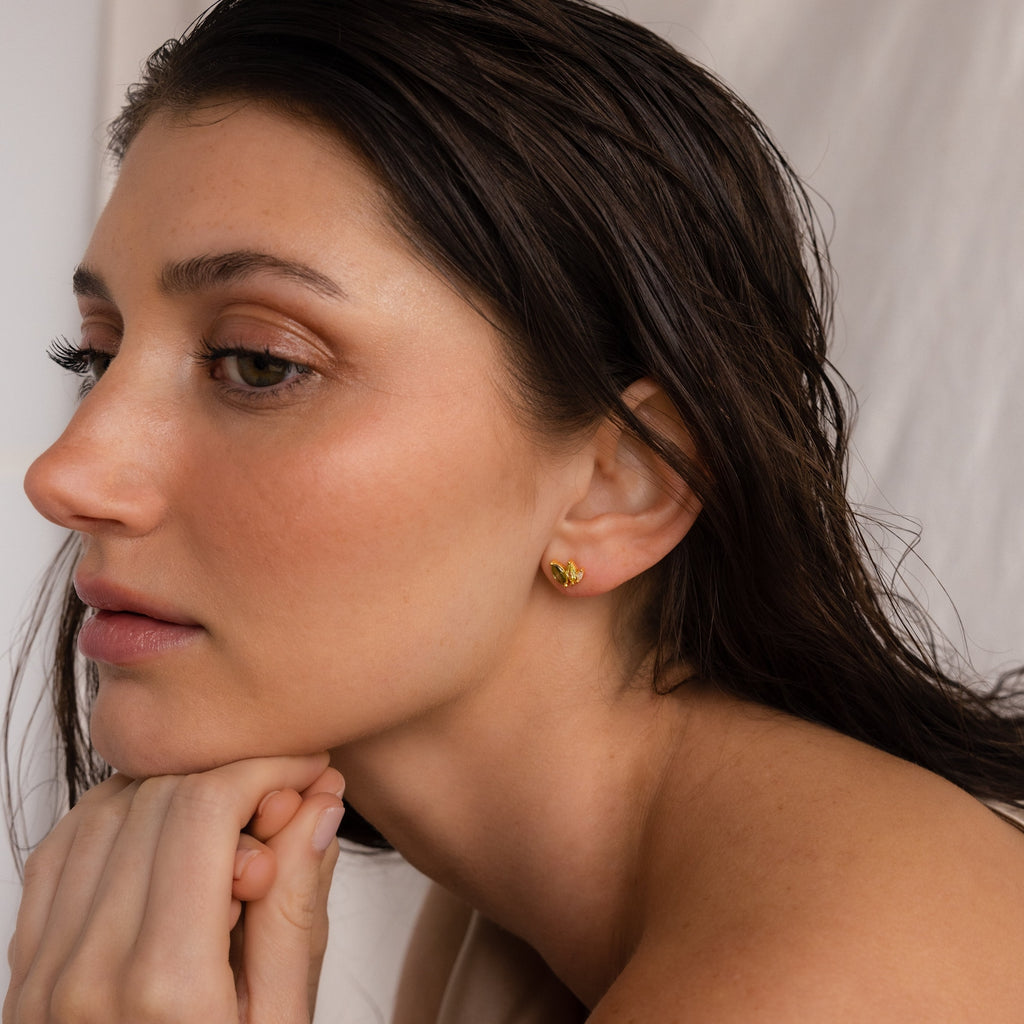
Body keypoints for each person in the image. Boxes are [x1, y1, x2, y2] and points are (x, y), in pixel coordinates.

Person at [5, 0, 1024, 1019]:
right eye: (98, 356)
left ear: (621, 480)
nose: (69, 473)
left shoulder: (826, 979)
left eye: (259, 363)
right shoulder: (505, 924)